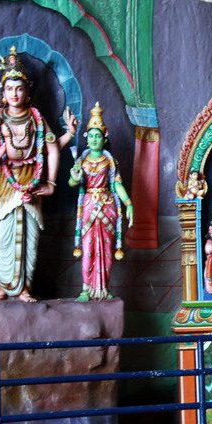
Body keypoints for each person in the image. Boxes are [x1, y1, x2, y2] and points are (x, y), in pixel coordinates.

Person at [0, 46, 77, 302]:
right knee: (2, 234)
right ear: (2, 92)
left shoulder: (36, 118)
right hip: (7, 181)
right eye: (9, 89)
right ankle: (2, 286)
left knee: (29, 236)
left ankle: (24, 288)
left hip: (33, 179)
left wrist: (50, 182)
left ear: (28, 91)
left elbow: (51, 148)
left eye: (20, 88)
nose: (15, 94)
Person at [69, 102, 133, 301]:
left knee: (106, 249)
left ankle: (103, 288)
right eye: (92, 136)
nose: (95, 139)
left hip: (107, 206)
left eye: (99, 136)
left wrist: (128, 203)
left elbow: (117, 185)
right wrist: (74, 176)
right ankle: (87, 289)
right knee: (88, 248)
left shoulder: (110, 162)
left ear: (104, 138)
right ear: (87, 139)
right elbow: (73, 182)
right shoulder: (81, 161)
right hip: (88, 205)